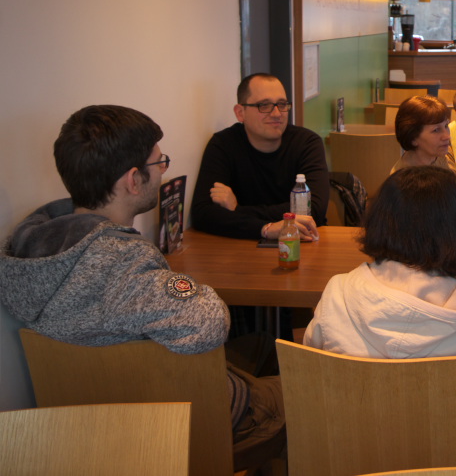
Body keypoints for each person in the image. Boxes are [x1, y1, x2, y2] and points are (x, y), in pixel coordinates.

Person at [0, 105, 286, 472]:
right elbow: (210, 321)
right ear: (133, 180)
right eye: (159, 162)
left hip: (93, 430)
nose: (163, 170)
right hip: (186, 425)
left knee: (259, 345)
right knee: (306, 388)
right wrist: (183, 285)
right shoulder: (125, 264)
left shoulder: (34, 251)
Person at [303, 165, 456, 465]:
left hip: (351, 450)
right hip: (442, 458)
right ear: (453, 230)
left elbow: (314, 364)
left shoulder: (338, 291)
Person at [191, 73, 329, 241]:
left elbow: (313, 209)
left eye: (282, 104)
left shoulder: (307, 143)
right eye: (264, 105)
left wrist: (237, 210)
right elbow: (202, 213)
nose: (277, 113)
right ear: (240, 113)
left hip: (303, 242)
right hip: (242, 246)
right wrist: (265, 229)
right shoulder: (223, 145)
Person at [391, 94, 456, 174]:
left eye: (446, 126)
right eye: (436, 130)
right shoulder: (404, 178)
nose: (447, 136)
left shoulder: (441, 154)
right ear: (413, 138)